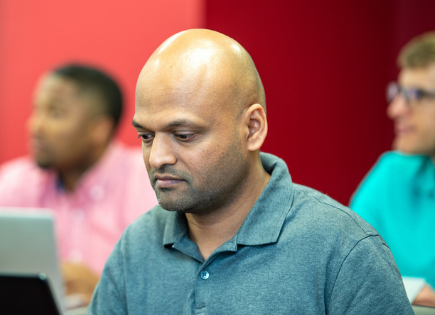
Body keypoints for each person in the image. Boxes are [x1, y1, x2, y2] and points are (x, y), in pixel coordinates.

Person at [89, 29, 413, 314]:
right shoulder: (136, 246)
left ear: (252, 128)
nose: (157, 157)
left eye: (184, 135)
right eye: (146, 136)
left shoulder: (342, 249)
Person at [0, 63, 157, 306]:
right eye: (36, 111)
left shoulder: (147, 180)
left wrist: (106, 290)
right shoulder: (16, 180)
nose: (36, 126)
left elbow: (172, 290)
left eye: (55, 113)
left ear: (99, 130)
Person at [351, 32, 435, 307]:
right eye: (398, 92)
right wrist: (417, 292)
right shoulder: (391, 175)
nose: (395, 109)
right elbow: (345, 273)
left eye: (414, 95)